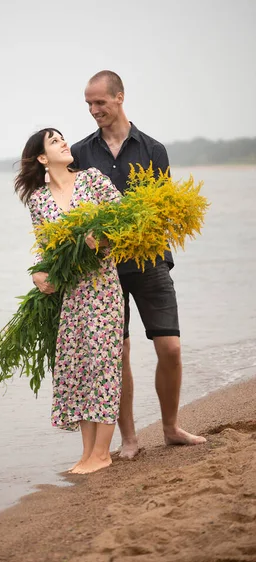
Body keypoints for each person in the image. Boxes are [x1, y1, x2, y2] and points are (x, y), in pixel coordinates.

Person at [70, 70, 206, 458]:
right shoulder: (80, 153)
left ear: (120, 97)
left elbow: (161, 210)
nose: (94, 110)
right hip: (103, 270)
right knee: (119, 354)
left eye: (100, 102)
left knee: (171, 348)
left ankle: (171, 427)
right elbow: (73, 212)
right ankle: (129, 440)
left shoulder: (153, 149)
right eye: (88, 104)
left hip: (150, 261)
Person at [15, 128, 125, 474]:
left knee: (103, 364)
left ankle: (103, 454)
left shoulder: (92, 180)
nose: (65, 142)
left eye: (63, 137)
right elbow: (47, 249)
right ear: (42, 158)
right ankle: (87, 453)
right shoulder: (38, 200)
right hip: (71, 292)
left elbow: (123, 219)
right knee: (78, 368)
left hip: (103, 285)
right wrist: (38, 274)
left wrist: (102, 239)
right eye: (55, 141)